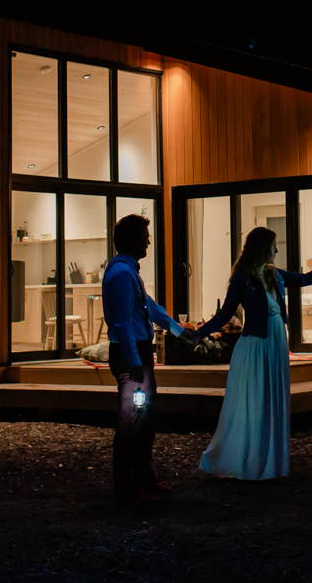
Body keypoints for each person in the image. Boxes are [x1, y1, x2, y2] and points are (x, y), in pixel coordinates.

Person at [193, 226, 312, 480]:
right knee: (256, 401)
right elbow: (226, 314)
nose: (277, 250)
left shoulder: (273, 274)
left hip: (275, 344)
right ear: (261, 248)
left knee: (271, 399)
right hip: (255, 347)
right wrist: (200, 332)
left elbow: (306, 279)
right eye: (273, 246)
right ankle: (250, 459)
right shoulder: (242, 279)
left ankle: (270, 461)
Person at [102, 213, 198, 505]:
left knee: (145, 418)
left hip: (138, 354)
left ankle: (142, 479)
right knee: (133, 419)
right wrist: (134, 364)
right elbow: (122, 323)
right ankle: (128, 489)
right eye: (145, 235)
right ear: (132, 239)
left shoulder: (127, 271)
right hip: (132, 355)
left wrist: (180, 331)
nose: (148, 240)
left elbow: (149, 308)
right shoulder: (121, 273)